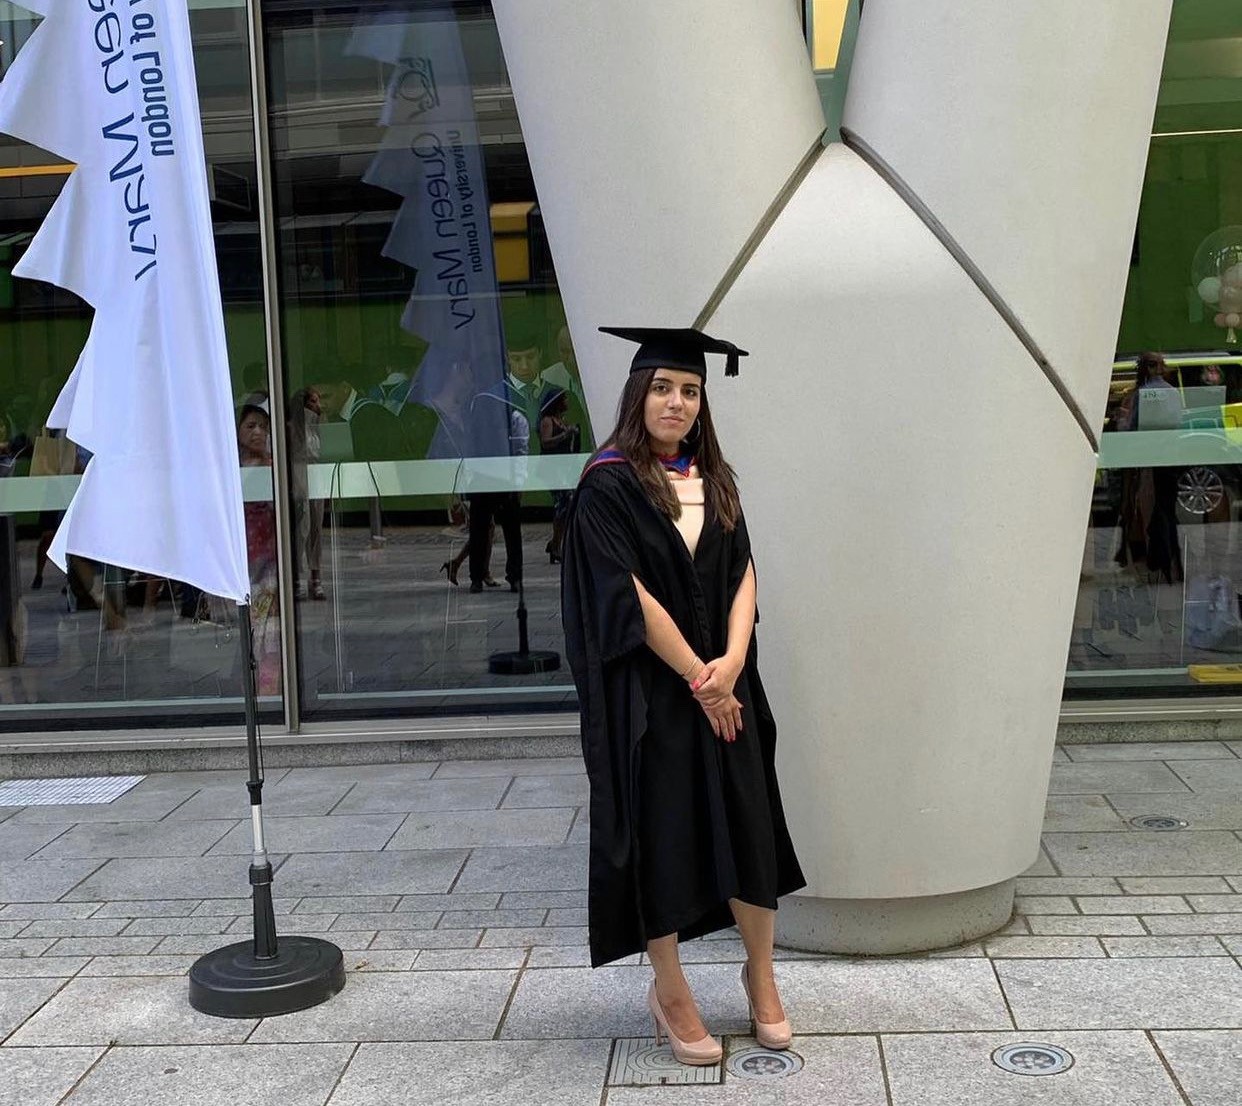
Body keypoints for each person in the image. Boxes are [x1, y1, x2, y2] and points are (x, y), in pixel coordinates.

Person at [561, 326, 805, 1066]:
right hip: (656, 700)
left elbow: (743, 573)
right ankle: (669, 989)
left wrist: (732, 660)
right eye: (663, 387)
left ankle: (759, 973)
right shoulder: (608, 484)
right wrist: (704, 682)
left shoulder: (716, 477)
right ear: (639, 395)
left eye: (690, 390)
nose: (677, 401)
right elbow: (626, 599)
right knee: (664, 838)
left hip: (727, 685)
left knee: (748, 827)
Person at [237, 396, 281, 695]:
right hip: (239, 562)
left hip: (268, 562)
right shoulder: (230, 468)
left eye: (263, 426)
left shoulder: (272, 466)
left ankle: (269, 685)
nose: (258, 432)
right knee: (247, 629)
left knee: (269, 629)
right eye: (251, 425)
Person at [538, 387, 579, 563]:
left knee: (566, 506)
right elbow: (545, 443)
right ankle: (556, 545)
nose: (567, 402)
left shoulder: (561, 420)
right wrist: (564, 435)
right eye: (564, 399)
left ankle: (555, 543)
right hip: (552, 470)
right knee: (562, 505)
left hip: (563, 469)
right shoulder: (548, 421)